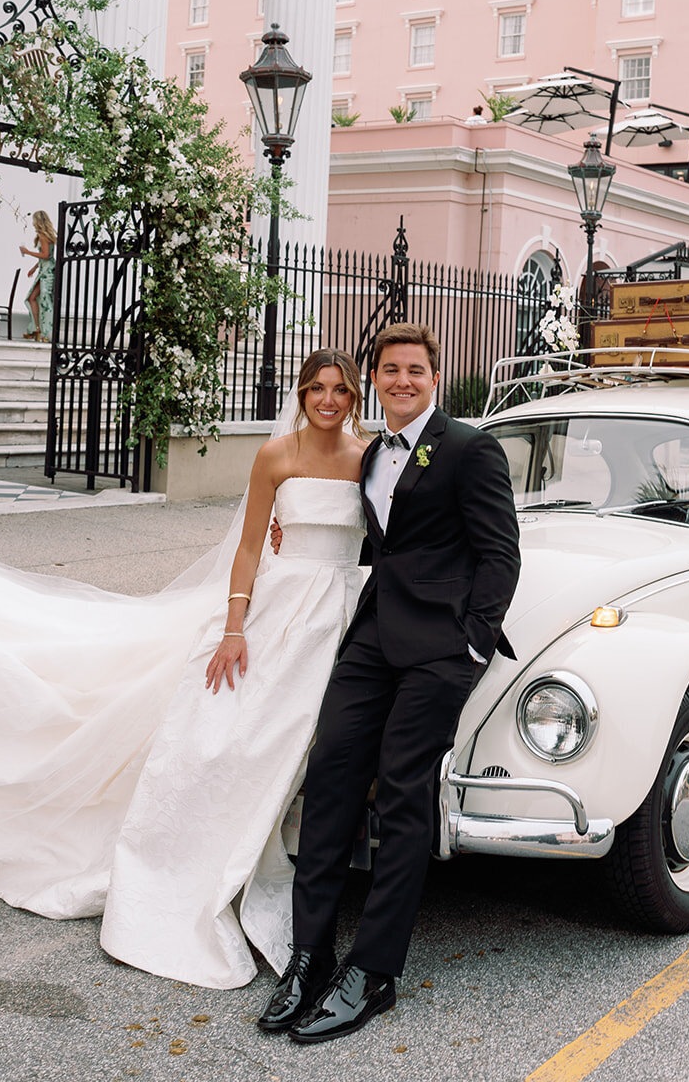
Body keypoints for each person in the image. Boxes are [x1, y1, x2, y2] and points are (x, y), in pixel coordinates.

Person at [0, 348, 368, 989]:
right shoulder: (275, 455)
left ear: (354, 397)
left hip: (343, 610)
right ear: (302, 394)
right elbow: (251, 544)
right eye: (317, 389)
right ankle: (189, 867)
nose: (328, 400)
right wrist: (232, 628)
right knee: (233, 734)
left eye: (339, 390)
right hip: (280, 611)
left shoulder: (370, 458)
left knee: (296, 743)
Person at [259, 321, 521, 1046]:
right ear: (374, 377)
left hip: (440, 650)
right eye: (390, 369)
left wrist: (471, 645)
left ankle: (372, 971)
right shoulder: (373, 452)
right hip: (371, 639)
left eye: (415, 369)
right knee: (332, 779)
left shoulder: (471, 448)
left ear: (434, 376)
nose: (401, 380)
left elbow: (501, 554)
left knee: (404, 795)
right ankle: (308, 958)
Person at [19, 209, 56, 341]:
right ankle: (37, 329)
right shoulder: (46, 235)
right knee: (33, 298)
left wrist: (28, 252)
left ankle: (44, 332)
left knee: (45, 301)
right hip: (45, 270)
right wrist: (34, 268)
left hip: (47, 272)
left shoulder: (43, 236)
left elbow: (45, 255)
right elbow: (47, 256)